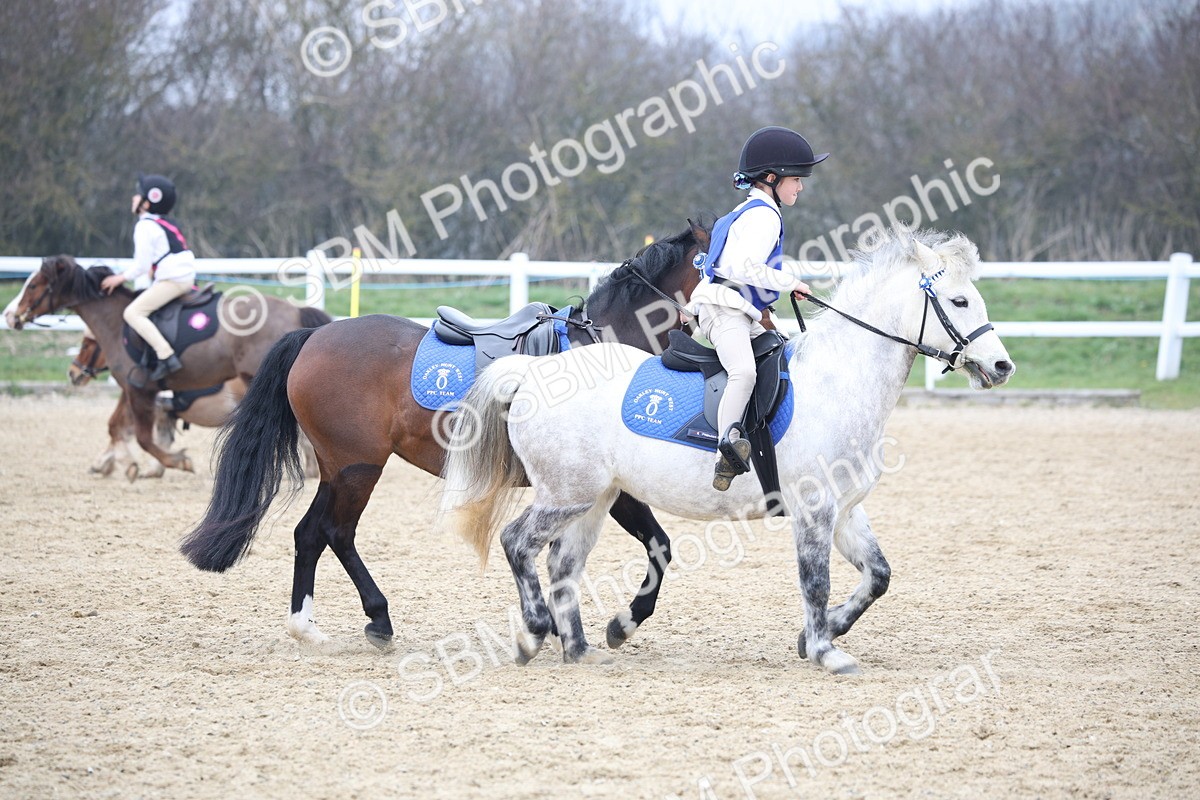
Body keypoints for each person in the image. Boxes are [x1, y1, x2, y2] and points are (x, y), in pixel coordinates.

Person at [687, 126, 828, 491]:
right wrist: (790, 282)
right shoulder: (763, 216)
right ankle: (726, 448)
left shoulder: (752, 209)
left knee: (780, 347)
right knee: (744, 373)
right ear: (771, 178)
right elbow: (738, 267)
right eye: (796, 179)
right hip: (722, 309)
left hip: (739, 310)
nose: (800, 187)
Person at [101, 173, 197, 381]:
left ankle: (166, 356)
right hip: (182, 277)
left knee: (133, 313)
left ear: (147, 202)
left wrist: (119, 278)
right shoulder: (164, 223)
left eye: (138, 195)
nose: (134, 198)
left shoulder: (144, 226)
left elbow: (142, 266)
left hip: (173, 280)